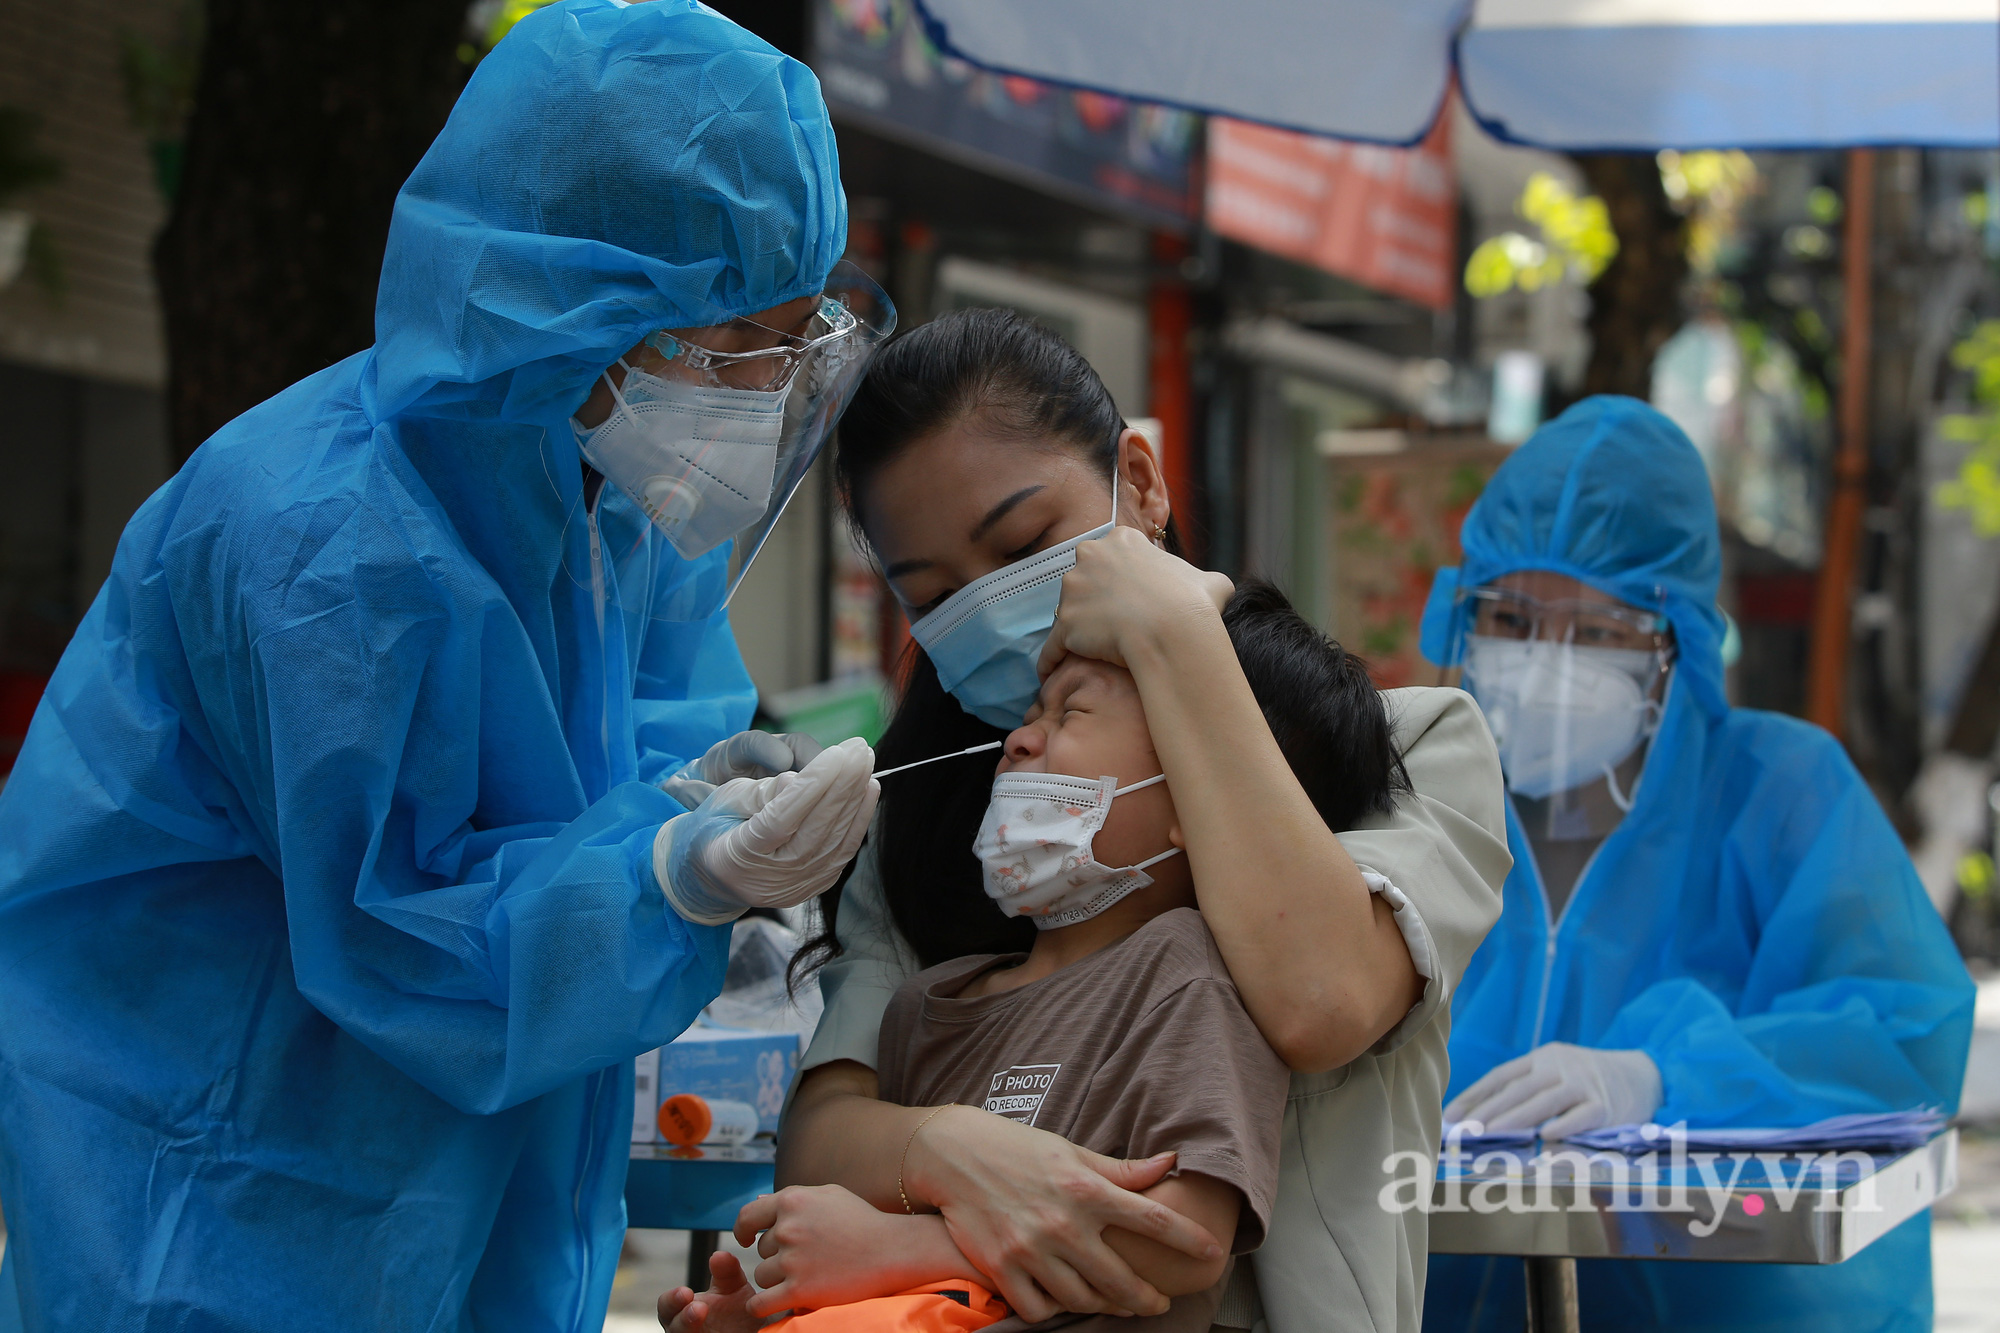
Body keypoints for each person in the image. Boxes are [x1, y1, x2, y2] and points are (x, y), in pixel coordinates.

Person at [0, 4, 887, 1330]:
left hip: (473, 1208)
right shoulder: (323, 541)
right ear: (582, 300)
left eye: (794, 345)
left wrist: (711, 811)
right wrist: (671, 877)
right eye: (738, 346)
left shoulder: (613, 507)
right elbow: (401, 947)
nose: (766, 393)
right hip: (222, 1213)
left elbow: (660, 743)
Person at [769, 310, 1513, 1333]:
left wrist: (1172, 632)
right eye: (934, 595)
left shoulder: (1404, 744)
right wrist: (954, 1153)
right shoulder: (939, 816)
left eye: (1024, 544)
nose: (988, 613)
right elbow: (820, 1131)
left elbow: (1319, 1002)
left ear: (1141, 482)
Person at [659, 581, 1409, 1333]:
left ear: (1203, 793)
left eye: (1071, 713)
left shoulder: (1186, 975)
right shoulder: (931, 1002)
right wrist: (781, 1306)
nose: (1019, 739)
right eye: (1029, 715)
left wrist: (902, 1248)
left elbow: (1188, 1239)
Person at [1418, 396, 1977, 1333]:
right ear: (1463, 616)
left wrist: (1661, 1076)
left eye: (1598, 632)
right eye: (1512, 615)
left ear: (1676, 646)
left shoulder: (1784, 792)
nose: (1544, 659)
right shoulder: (1419, 798)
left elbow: (1901, 1034)